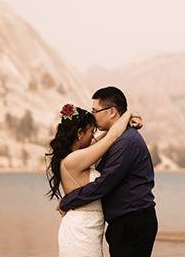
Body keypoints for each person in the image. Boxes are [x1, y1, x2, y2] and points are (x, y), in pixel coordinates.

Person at [60, 86, 158, 257]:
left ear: (112, 112)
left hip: (133, 220)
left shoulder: (127, 141)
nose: (92, 116)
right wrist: (128, 116)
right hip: (124, 221)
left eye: (95, 111)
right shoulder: (117, 138)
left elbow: (105, 183)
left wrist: (69, 200)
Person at [46, 99, 142, 257]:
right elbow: (111, 137)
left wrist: (121, 122)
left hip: (89, 229)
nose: (93, 137)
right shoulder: (73, 160)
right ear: (79, 134)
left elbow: (105, 137)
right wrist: (128, 114)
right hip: (80, 230)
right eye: (91, 132)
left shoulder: (77, 156)